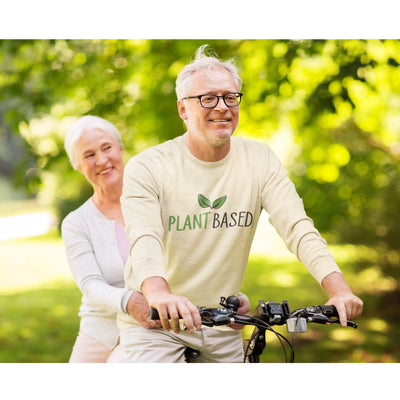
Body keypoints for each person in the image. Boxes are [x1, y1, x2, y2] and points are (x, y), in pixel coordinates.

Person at [117, 45, 363, 363]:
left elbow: (298, 228)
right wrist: (159, 294)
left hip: (223, 323)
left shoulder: (259, 160)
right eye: (208, 98)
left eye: (230, 97)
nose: (222, 106)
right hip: (158, 323)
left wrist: (339, 290)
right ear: (183, 110)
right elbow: (144, 238)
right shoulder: (149, 166)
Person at [61, 115, 159, 363]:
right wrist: (128, 301)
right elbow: (91, 285)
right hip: (100, 330)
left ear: (120, 149)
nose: (102, 160)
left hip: (153, 324)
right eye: (89, 155)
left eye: (107, 148)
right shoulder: (76, 222)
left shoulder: (154, 201)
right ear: (78, 166)